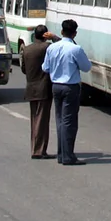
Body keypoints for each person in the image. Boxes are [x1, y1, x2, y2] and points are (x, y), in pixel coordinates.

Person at [42, 19, 92, 166]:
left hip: (56, 86)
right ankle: (68, 156)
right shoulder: (75, 49)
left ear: (62, 31)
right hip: (70, 87)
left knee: (60, 121)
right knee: (69, 122)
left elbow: (45, 68)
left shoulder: (52, 48)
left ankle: (61, 154)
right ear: (75, 33)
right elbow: (86, 67)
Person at [21, 25, 60, 160]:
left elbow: (24, 69)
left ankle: (35, 148)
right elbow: (64, 45)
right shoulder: (47, 47)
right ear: (45, 35)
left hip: (31, 88)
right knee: (42, 121)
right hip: (44, 88)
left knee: (34, 120)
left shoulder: (27, 49)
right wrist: (54, 37)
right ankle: (39, 151)